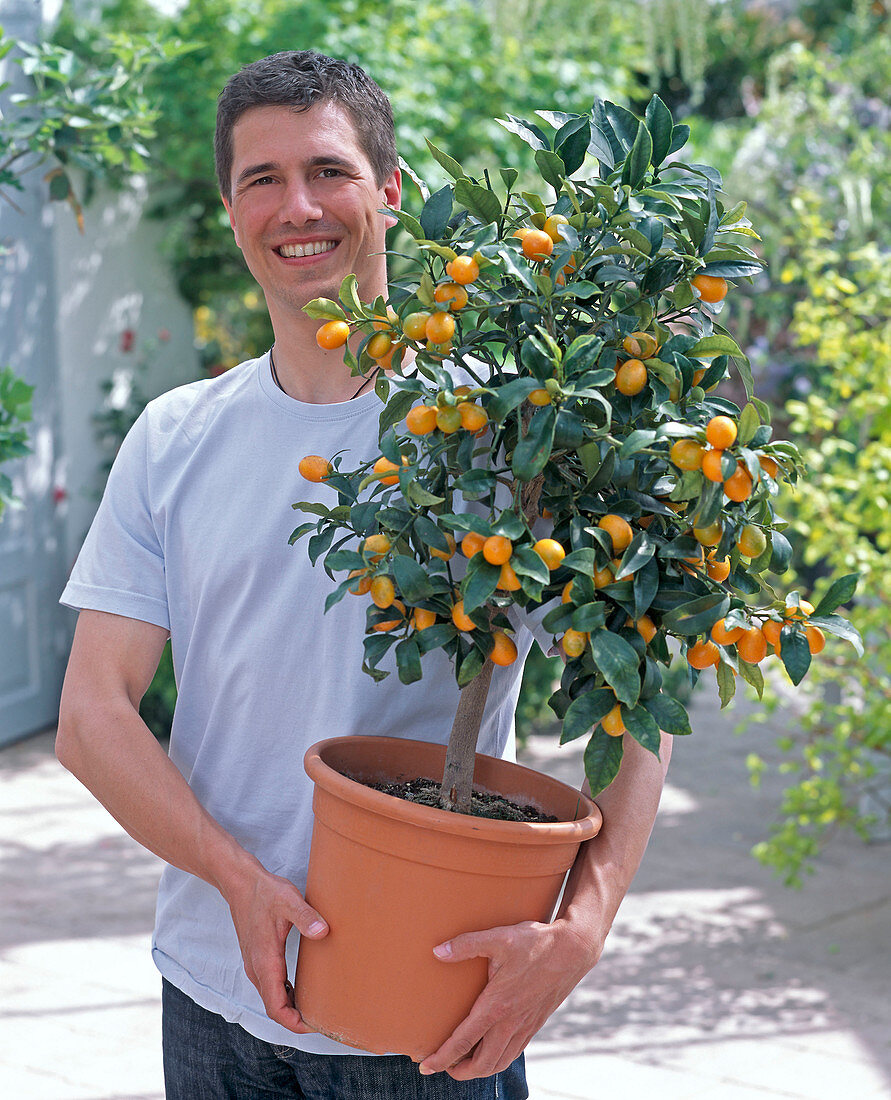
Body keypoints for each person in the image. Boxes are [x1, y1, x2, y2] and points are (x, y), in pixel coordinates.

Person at [56, 50, 671, 1099]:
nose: (298, 206)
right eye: (263, 179)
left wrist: (583, 924)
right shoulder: (174, 437)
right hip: (212, 996)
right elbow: (92, 714)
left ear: (389, 192)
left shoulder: (517, 428)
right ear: (231, 209)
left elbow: (637, 691)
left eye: (329, 171)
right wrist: (238, 882)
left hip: (436, 1010)